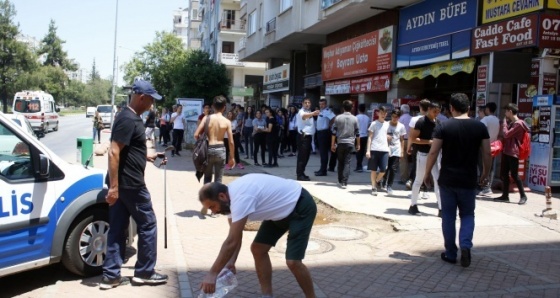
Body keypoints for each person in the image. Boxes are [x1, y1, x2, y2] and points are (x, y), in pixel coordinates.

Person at [199, 174, 317, 298]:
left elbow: (231, 241)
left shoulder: (241, 197)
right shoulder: (229, 202)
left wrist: (212, 274)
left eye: (212, 206)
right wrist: (231, 263)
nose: (213, 211)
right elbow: (236, 236)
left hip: (300, 205)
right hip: (278, 212)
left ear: (222, 196)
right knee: (258, 249)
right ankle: (267, 295)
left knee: (293, 262)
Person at [100, 80, 168, 289]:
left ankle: (111, 276)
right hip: (130, 185)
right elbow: (113, 151)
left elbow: (128, 149)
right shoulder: (128, 118)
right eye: (150, 100)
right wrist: (113, 188)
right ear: (141, 97)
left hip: (123, 184)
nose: (151, 105)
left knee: (118, 228)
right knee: (148, 224)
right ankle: (144, 272)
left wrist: (148, 155)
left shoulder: (130, 117)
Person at [424, 93, 491, 268]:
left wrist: (427, 173)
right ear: (469, 108)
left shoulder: (443, 126)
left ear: (451, 109)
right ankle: (466, 246)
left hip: (448, 179)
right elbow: (487, 153)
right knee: (468, 215)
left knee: (448, 217)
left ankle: (451, 253)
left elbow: (433, 152)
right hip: (469, 179)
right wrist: (485, 173)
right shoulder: (479, 127)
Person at [408, 101, 442, 216]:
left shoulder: (438, 122)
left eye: (438, 112)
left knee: (437, 180)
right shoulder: (421, 122)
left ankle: (441, 208)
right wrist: (429, 142)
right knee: (419, 179)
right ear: (429, 110)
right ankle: (413, 205)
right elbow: (413, 139)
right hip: (423, 154)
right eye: (434, 111)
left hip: (434, 155)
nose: (436, 114)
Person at [494, 103, 529, 205]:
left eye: (506, 111)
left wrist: (504, 123)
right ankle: (505, 196)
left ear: (510, 111)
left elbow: (506, 134)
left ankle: (523, 196)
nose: (505, 113)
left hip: (513, 152)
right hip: (507, 151)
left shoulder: (519, 124)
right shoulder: (513, 123)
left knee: (514, 174)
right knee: (504, 174)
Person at [331, 100, 360, 189]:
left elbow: (334, 132)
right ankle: (344, 182)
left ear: (343, 108)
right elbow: (357, 133)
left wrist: (332, 144)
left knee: (340, 162)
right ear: (352, 108)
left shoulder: (338, 118)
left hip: (340, 143)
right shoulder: (355, 118)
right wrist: (358, 144)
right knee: (347, 162)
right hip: (350, 143)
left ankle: (340, 180)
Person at [478, 102, 500, 196]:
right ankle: (488, 186)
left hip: (484, 146)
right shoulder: (497, 120)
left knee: (483, 166)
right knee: (490, 167)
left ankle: (485, 187)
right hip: (493, 145)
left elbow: (481, 132)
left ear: (487, 109)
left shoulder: (485, 120)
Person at [366, 106, 390, 196]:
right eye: (381, 113)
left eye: (384, 113)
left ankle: (375, 181)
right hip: (374, 148)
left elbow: (387, 136)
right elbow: (370, 137)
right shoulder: (374, 124)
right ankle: (373, 187)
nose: (383, 115)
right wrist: (368, 150)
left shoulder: (387, 124)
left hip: (384, 149)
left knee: (383, 169)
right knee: (373, 169)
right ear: (378, 113)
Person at [382, 110, 406, 195]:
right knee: (385, 167)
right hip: (386, 148)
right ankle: (383, 181)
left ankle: (389, 185)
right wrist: (385, 136)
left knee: (393, 168)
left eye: (396, 117)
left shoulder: (401, 126)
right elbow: (380, 135)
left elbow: (402, 140)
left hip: (396, 148)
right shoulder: (386, 124)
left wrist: (402, 151)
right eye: (393, 116)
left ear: (399, 118)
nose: (394, 118)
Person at [296, 98, 320, 181]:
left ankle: (302, 172)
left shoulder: (309, 112)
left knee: (306, 156)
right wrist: (313, 113)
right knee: (302, 156)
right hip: (303, 136)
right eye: (305, 102)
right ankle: (299, 174)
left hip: (308, 137)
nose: (307, 104)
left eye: (308, 102)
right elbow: (303, 116)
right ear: (302, 104)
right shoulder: (301, 111)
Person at [315, 99, 336, 176]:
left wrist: (329, 125)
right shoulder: (321, 111)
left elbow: (334, 118)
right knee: (321, 152)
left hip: (324, 133)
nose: (321, 106)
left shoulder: (327, 111)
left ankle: (323, 171)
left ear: (326, 104)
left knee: (324, 152)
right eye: (320, 104)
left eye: (323, 104)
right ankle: (321, 168)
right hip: (319, 133)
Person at [398, 104, 412, 183]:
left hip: (403, 140)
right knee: (414, 160)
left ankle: (404, 178)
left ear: (402, 111)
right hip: (412, 141)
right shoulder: (412, 118)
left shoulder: (401, 119)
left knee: (403, 160)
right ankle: (412, 178)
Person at [355, 104, 370, 172]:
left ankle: (359, 166)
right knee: (362, 151)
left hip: (358, 136)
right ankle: (359, 165)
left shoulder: (356, 117)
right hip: (365, 136)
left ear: (358, 109)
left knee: (358, 151)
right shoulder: (367, 118)